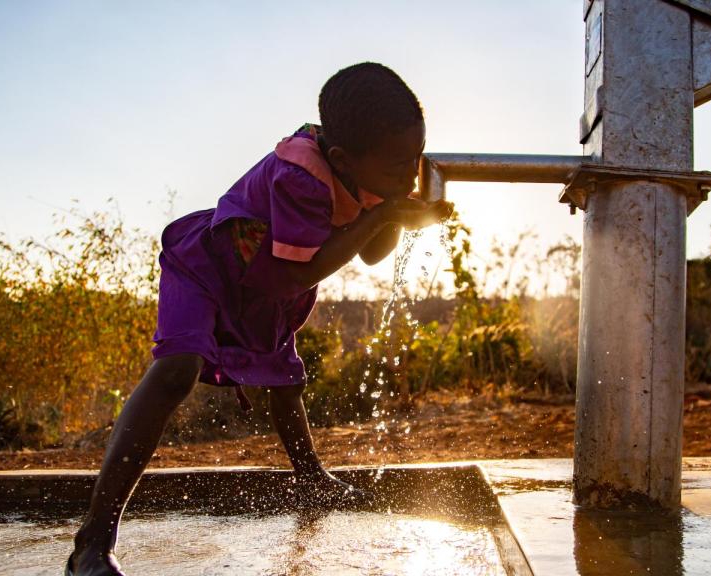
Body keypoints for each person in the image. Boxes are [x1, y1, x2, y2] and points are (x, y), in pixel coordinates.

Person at [66, 62, 452, 575]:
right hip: (208, 267)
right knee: (176, 370)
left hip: (267, 282)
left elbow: (371, 255)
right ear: (341, 158)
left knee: (286, 382)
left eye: (416, 159)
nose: (410, 173)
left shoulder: (373, 166)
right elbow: (300, 275)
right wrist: (383, 215)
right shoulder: (302, 176)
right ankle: (92, 543)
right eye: (398, 166)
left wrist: (398, 206)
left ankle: (311, 478)